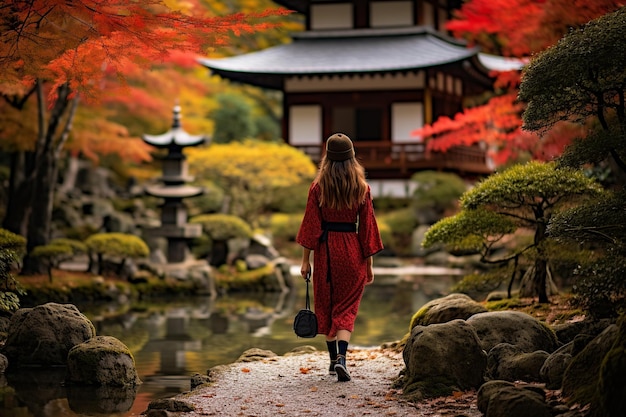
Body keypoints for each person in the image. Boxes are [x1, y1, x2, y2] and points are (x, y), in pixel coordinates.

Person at [296, 133, 383, 382]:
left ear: (327, 158)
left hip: (325, 253)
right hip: (352, 252)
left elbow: (311, 227)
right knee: (346, 308)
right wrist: (369, 266)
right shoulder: (361, 188)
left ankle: (333, 361)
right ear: (352, 159)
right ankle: (343, 359)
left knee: (327, 304)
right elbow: (368, 230)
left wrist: (305, 261)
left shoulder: (317, 188)